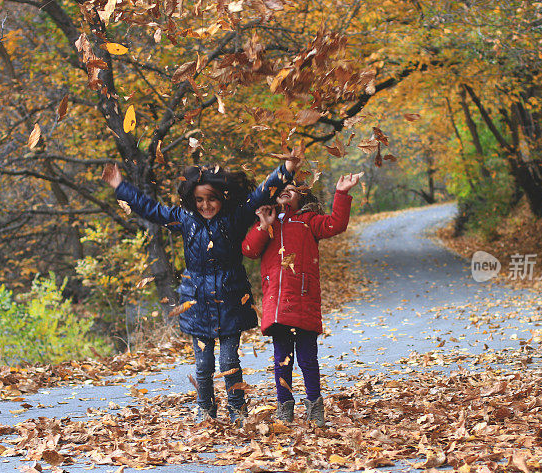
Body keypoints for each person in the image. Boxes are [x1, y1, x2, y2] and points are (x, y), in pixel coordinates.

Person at [103, 160, 296, 423]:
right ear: (191, 199)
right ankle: (205, 410)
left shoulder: (235, 217)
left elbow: (262, 193)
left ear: (222, 198)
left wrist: (286, 169)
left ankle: (238, 412)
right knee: (203, 366)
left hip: (231, 299)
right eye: (199, 200)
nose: (205, 205)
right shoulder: (184, 220)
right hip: (197, 302)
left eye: (211, 199)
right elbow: (151, 209)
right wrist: (119, 186)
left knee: (229, 362)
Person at [241, 172, 361, 427]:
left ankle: (314, 406)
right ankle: (284, 406)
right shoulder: (267, 223)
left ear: (303, 195)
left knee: (307, 358)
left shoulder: (308, 221)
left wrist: (341, 193)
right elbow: (249, 251)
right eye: (282, 187)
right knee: (282, 359)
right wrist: (263, 225)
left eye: (293, 188)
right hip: (277, 304)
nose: (287, 190)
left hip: (304, 299)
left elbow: (336, 224)